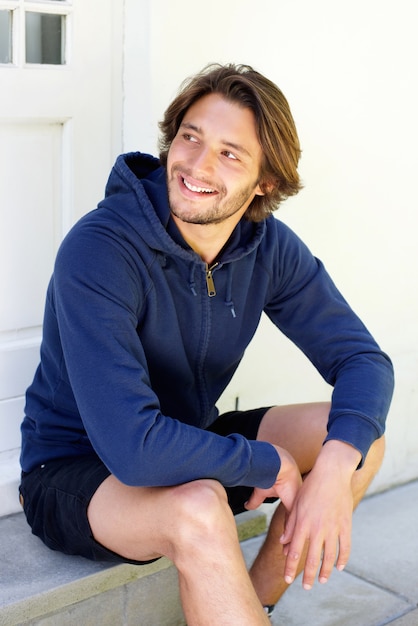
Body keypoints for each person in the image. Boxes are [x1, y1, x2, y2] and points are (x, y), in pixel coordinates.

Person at [19, 63, 394, 625]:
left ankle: (251, 607)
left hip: (185, 441)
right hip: (77, 471)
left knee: (357, 436)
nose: (196, 164)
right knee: (200, 508)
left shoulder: (266, 248)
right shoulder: (100, 249)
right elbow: (134, 448)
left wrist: (335, 467)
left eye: (229, 153)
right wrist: (265, 462)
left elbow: (363, 359)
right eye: (190, 137)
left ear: (265, 181)